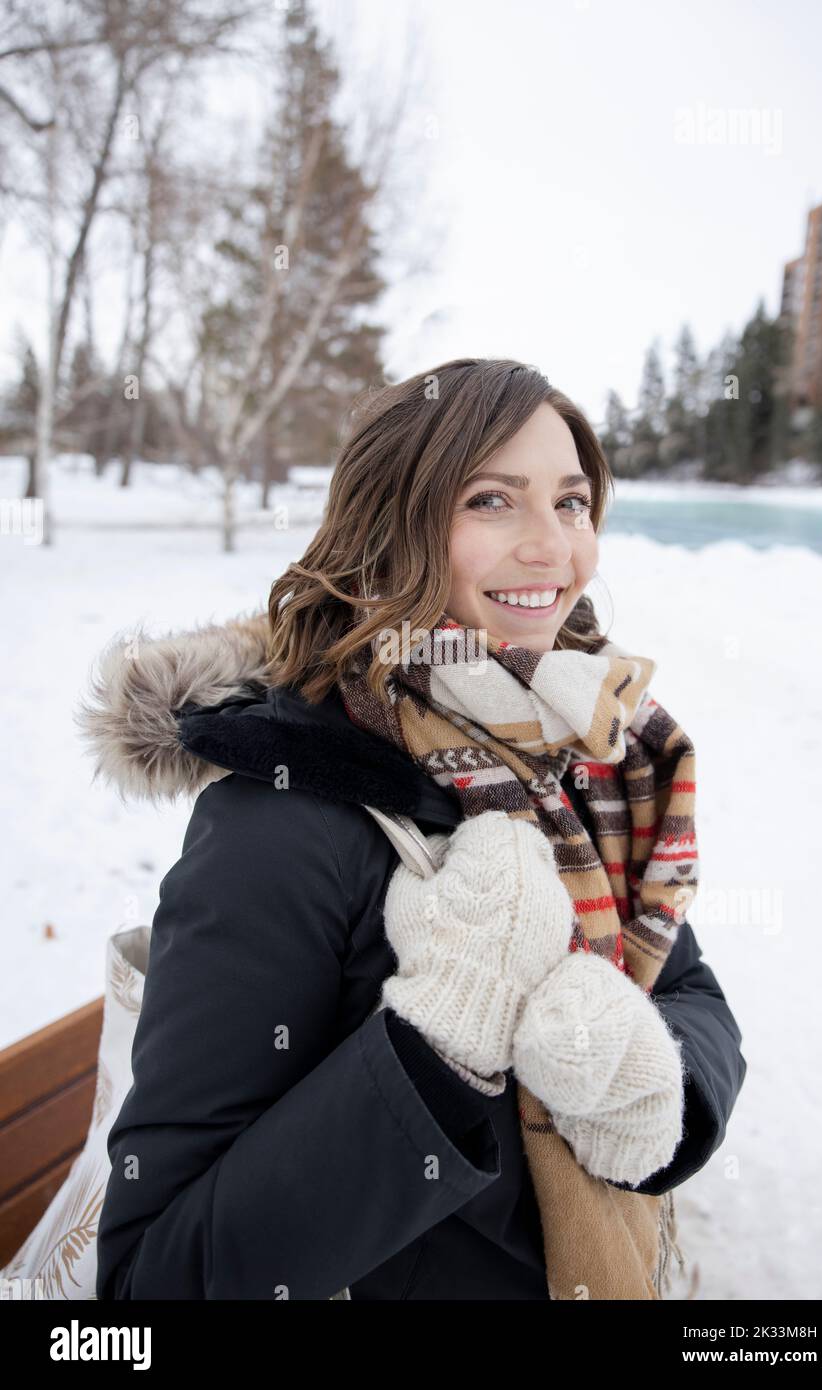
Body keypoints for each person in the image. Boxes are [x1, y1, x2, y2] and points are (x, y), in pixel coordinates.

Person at [78, 357, 746, 1301]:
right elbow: (151, 1285)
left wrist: (651, 1084)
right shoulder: (280, 821)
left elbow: (691, 992)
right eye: (491, 500)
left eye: (570, 502)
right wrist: (438, 1053)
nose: (553, 548)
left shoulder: (578, 748)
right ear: (387, 528)